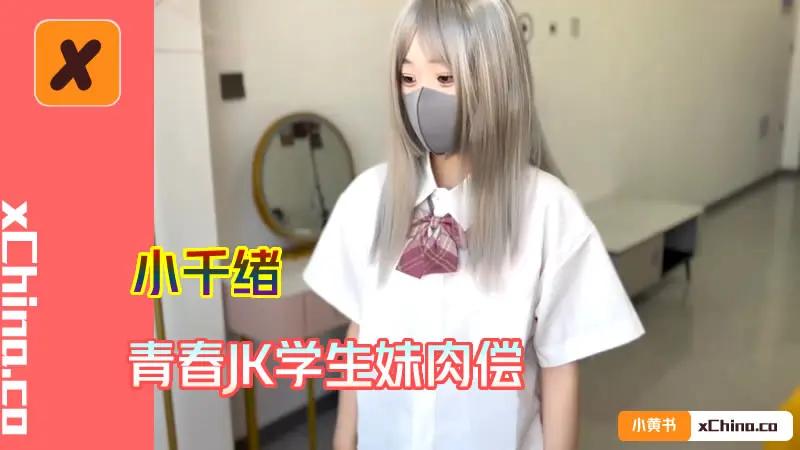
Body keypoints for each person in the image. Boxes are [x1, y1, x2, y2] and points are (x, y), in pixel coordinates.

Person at [302, 0, 645, 448]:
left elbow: (560, 364)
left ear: (494, 81)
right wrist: (343, 441)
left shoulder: (547, 210)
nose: (421, 97)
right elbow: (360, 334)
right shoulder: (368, 199)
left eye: (444, 78)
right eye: (408, 79)